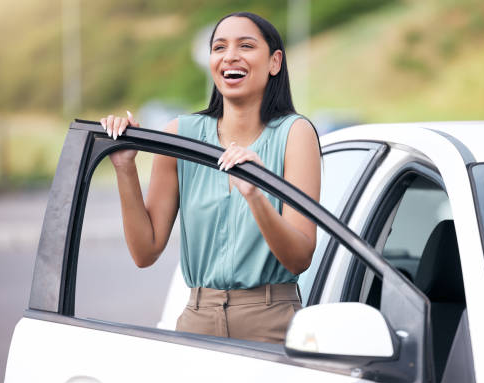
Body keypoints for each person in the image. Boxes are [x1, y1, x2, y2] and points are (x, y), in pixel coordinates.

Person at [100, 12, 321, 344]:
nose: (230, 56)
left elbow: (300, 256)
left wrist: (256, 196)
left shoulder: (295, 134)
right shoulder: (179, 135)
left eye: (246, 46)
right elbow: (144, 252)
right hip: (197, 321)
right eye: (219, 47)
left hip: (272, 323)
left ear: (275, 62)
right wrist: (125, 167)